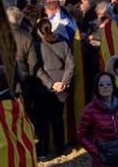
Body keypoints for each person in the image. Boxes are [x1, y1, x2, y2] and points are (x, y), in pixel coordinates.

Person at [35, 17, 73, 158]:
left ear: (38, 31)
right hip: (61, 87)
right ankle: (60, 147)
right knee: (58, 119)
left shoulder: (37, 46)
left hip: (44, 87)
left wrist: (51, 84)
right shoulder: (63, 43)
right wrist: (63, 81)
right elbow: (71, 65)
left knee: (43, 120)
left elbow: (37, 69)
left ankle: (43, 150)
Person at [78, 72, 118, 167]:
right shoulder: (89, 110)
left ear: (113, 86)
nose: (105, 87)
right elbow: (82, 136)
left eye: (108, 84)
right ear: (97, 88)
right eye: (101, 84)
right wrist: (97, 153)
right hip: (103, 162)